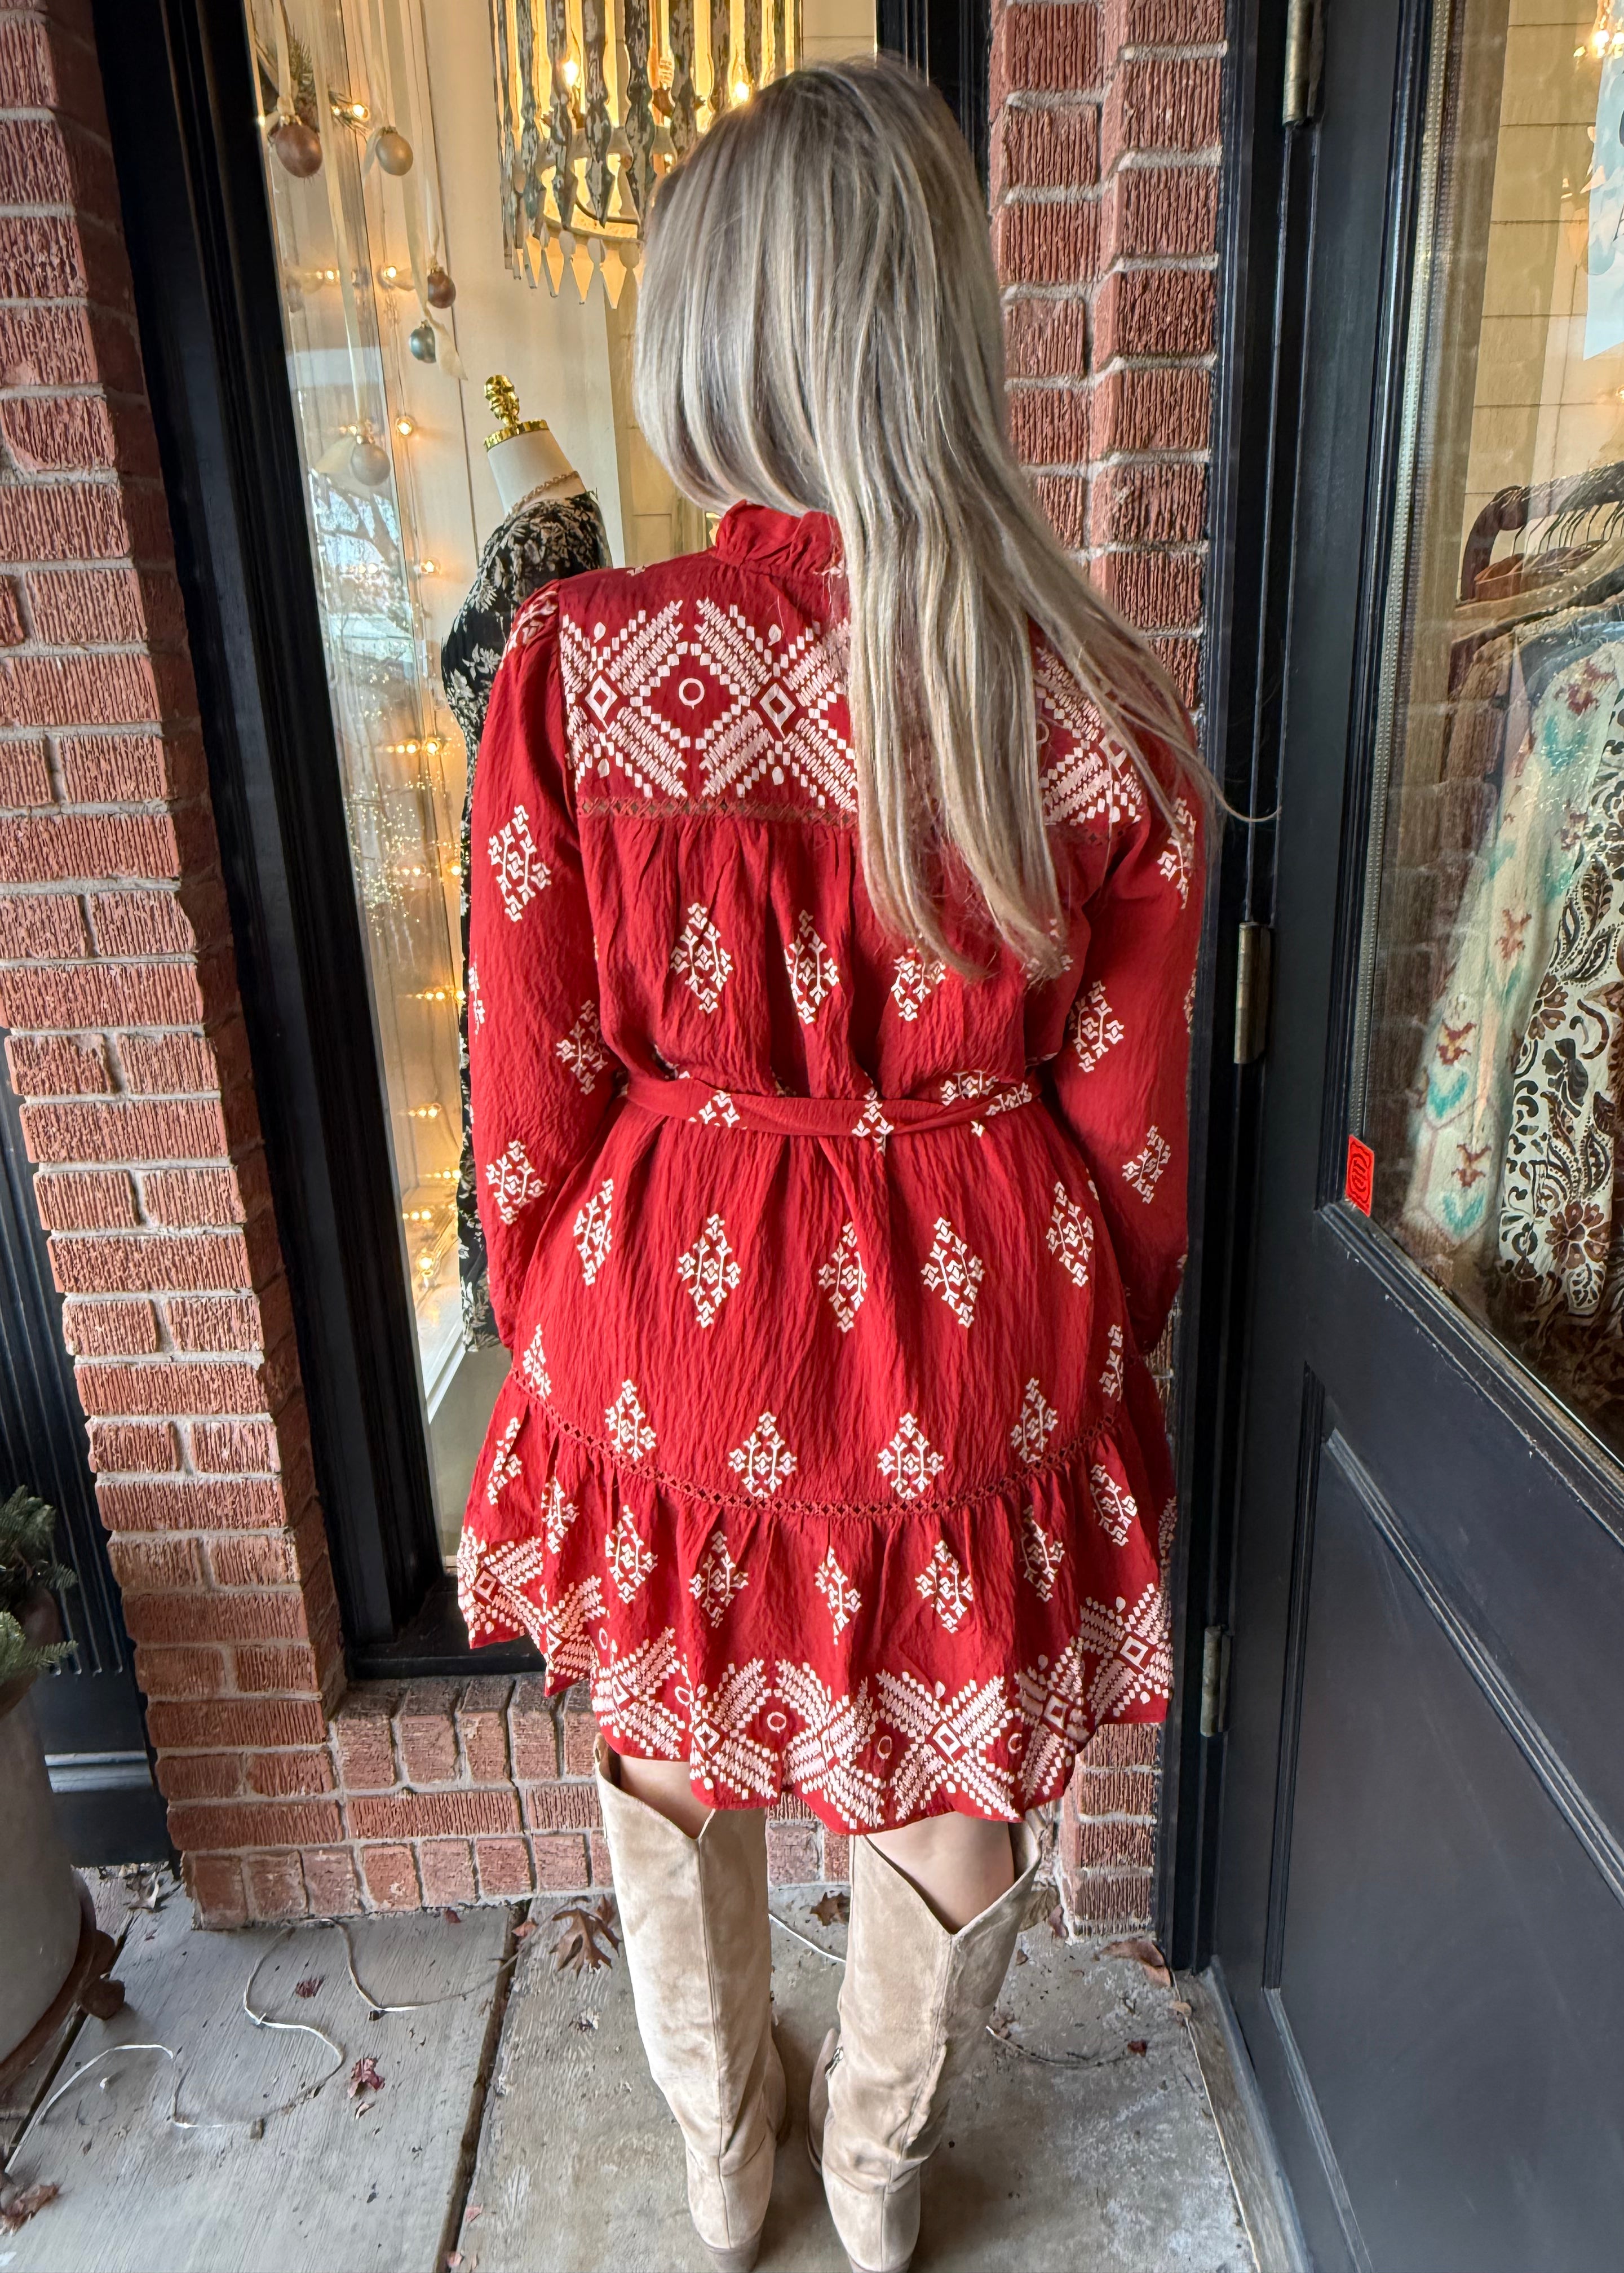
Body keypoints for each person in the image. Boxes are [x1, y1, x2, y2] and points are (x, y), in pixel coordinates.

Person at [457, 54, 1211, 2273]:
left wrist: (561, 1313)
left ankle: (726, 2155)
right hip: (982, 1323)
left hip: (666, 1296)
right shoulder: (1092, 693)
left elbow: (531, 1085)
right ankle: (878, 2180)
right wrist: (1081, 1357)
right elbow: (1131, 1135)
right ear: (937, 327)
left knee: (667, 1732)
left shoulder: (576, 667)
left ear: (716, 332)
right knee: (960, 1762)